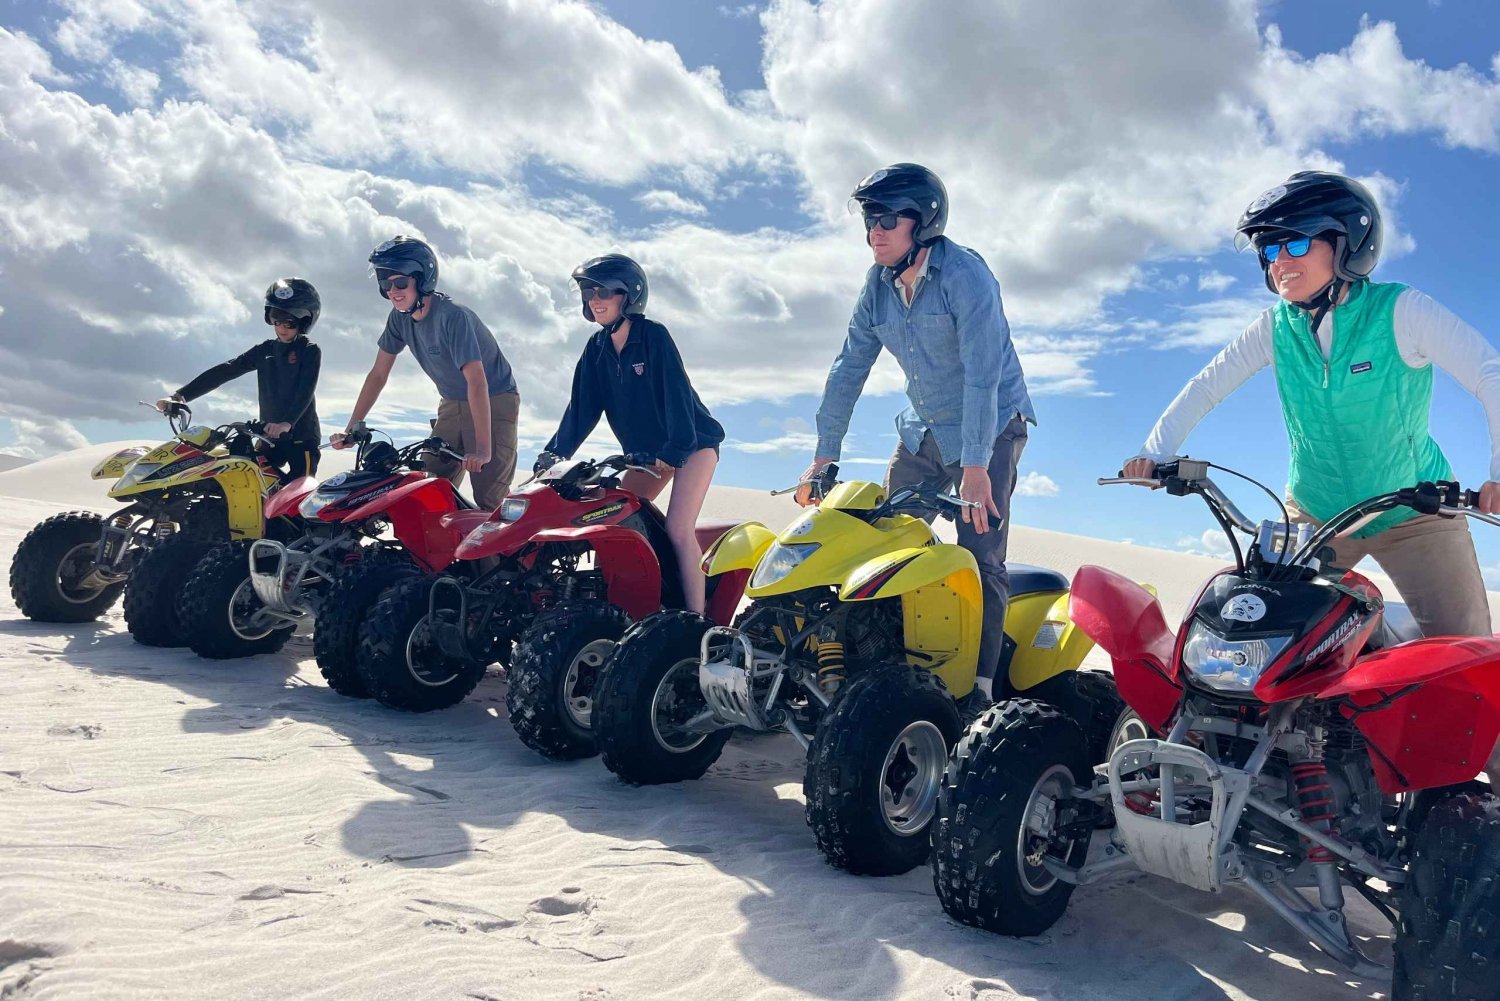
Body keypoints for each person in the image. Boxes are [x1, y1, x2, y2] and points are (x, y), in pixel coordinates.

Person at [1121, 170, 1500, 779]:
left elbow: (1489, 372)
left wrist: (1497, 472)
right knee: (1262, 640)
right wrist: (1154, 451)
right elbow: (1207, 385)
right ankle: (1274, 785)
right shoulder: (1276, 327)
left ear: (1347, 244)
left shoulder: (1402, 311)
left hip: (1415, 514)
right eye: (1269, 251)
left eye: (1295, 244)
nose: (1278, 263)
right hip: (1317, 517)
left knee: (1469, 664)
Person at [798, 163, 1035, 702]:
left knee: (980, 555)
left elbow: (984, 376)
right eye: (867, 220)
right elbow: (848, 367)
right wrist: (823, 455)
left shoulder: (966, 277)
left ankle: (978, 689)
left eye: (885, 219)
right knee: (884, 540)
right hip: (923, 427)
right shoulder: (877, 285)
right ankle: (880, 664)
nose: (873, 232)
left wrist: (976, 467)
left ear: (922, 221)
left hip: (991, 425)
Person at [534, 254, 724, 614]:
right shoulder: (596, 349)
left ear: (629, 295)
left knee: (679, 530)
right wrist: (554, 454)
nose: (595, 299)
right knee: (613, 519)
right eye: (589, 291)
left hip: (693, 444)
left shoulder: (653, 337)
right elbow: (580, 410)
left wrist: (674, 451)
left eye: (604, 291)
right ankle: (621, 611)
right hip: (646, 455)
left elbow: (677, 397)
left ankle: (696, 622)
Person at [332, 236, 520, 509]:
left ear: (422, 280)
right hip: (452, 401)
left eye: (400, 283)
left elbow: (477, 382)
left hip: (494, 399)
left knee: (489, 498)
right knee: (427, 488)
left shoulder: (453, 316)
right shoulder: (399, 318)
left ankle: (500, 549)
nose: (392, 291)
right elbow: (378, 374)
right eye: (385, 284)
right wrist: (352, 429)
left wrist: (482, 449)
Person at [157, 278, 323, 481]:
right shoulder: (264, 351)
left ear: (305, 321)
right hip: (267, 436)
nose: (281, 326)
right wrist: (180, 395)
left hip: (301, 437)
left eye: (289, 321)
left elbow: (305, 389)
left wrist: (287, 423)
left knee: (298, 499)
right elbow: (226, 370)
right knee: (247, 483)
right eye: (275, 318)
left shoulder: (309, 350)